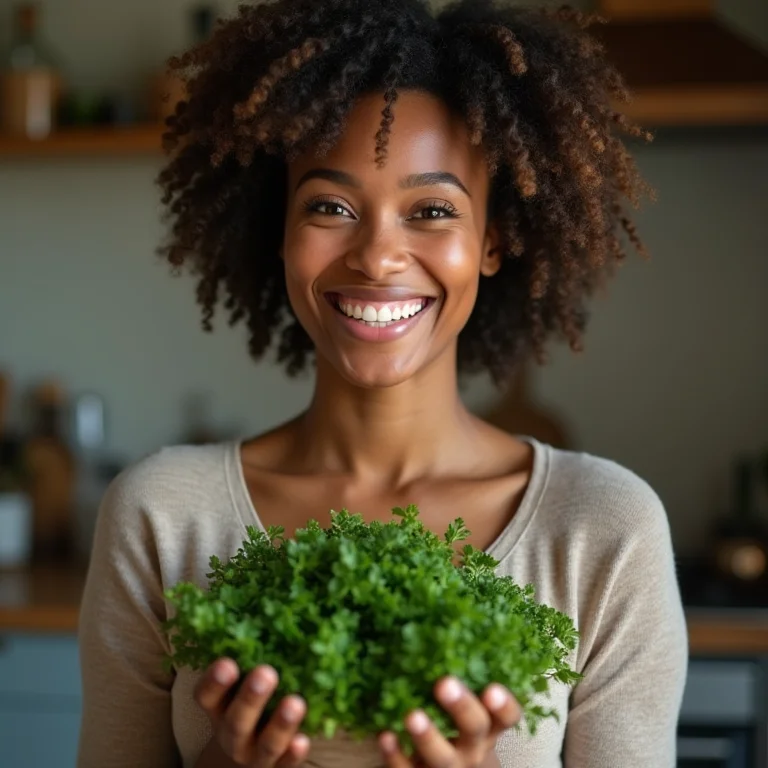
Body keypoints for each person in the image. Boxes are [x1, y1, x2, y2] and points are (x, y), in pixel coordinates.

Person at [76, 1, 688, 766]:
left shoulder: (605, 528)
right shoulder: (161, 515)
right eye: (330, 206)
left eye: (432, 210)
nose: (376, 256)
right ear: (282, 234)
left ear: (491, 240)